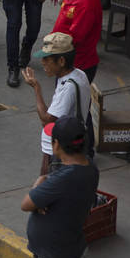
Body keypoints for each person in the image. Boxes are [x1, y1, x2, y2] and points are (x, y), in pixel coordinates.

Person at [20, 114, 99, 258]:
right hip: (70, 254)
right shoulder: (90, 168)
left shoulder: (62, 179)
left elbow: (26, 204)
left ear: (56, 146)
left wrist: (39, 183)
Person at [22, 32, 92, 173]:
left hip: (61, 147)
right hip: (70, 142)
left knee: (46, 179)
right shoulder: (79, 74)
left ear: (61, 61)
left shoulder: (68, 87)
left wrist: (36, 88)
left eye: (47, 59)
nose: (43, 62)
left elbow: (47, 121)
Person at [51, 0, 102, 83]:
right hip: (65, 60)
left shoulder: (87, 5)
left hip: (78, 65)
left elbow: (74, 38)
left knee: (71, 102)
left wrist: (50, 47)